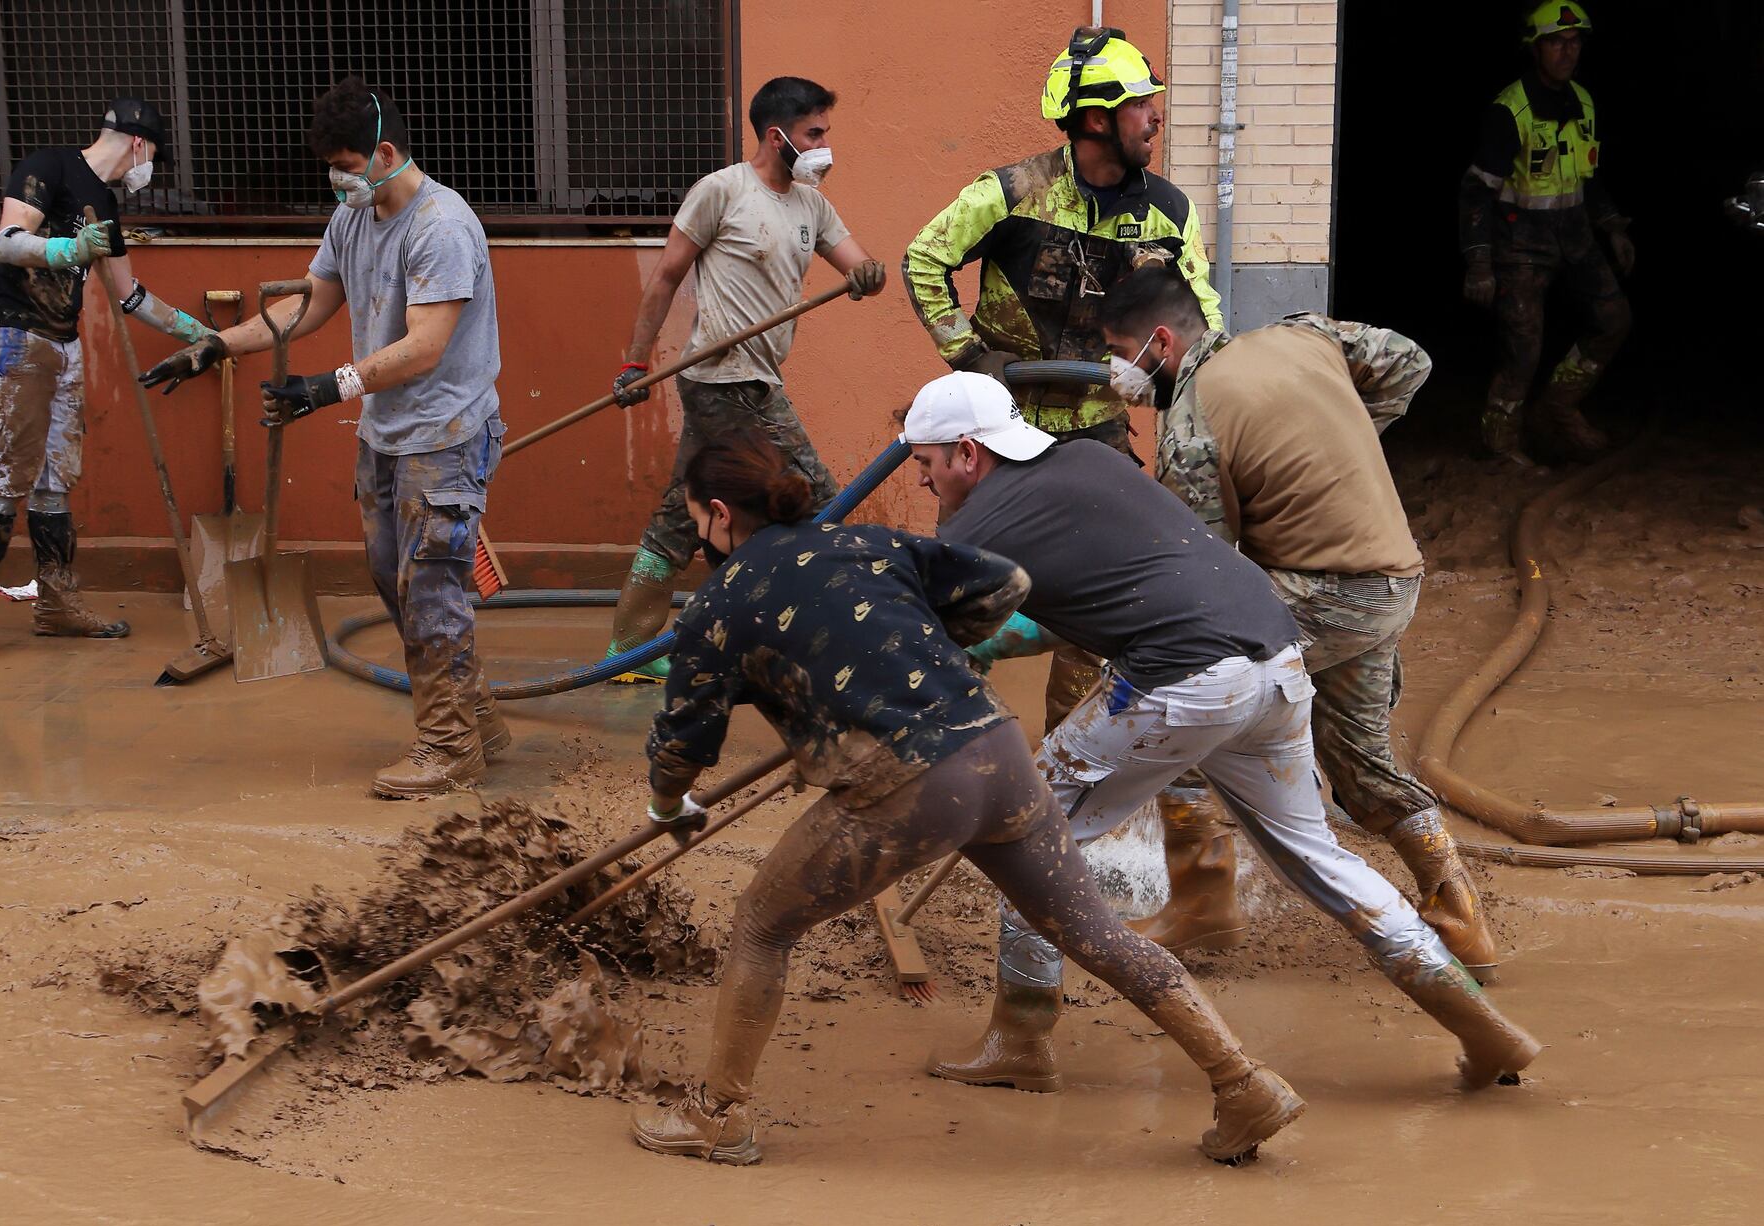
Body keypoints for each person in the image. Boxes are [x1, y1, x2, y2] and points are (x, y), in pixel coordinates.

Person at [626, 435, 1305, 1168]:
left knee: (761, 924)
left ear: (719, 514)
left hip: (911, 782)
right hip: (999, 755)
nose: (699, 535)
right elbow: (1005, 583)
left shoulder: (716, 608)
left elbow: (681, 746)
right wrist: (931, 653)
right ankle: (1242, 1081)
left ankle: (719, 1115)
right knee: (1096, 933)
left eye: (697, 519)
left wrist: (669, 808)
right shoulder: (867, 545)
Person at [900, 371, 1541, 1095]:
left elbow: (930, 642)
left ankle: (1019, 1039)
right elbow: (1087, 598)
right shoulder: (1091, 460)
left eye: (924, 466)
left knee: (1021, 833)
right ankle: (1480, 1026)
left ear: (965, 453)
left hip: (1183, 680)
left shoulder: (972, 530)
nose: (926, 484)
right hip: (1274, 659)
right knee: (1320, 858)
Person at [1095, 265, 1502, 983]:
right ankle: (1458, 912)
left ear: (1159, 341)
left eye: (1118, 350)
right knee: (1358, 763)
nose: (1115, 373)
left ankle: (1199, 898)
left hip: (1321, 595)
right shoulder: (1304, 337)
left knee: (1175, 685)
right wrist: (1343, 433)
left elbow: (1202, 579)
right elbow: (1410, 360)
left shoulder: (1191, 426)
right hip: (1392, 583)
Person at [140, 80, 507, 800]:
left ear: (385, 153)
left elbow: (427, 344)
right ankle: (475, 717)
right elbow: (308, 304)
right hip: (385, 434)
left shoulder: (441, 226)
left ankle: (447, 748)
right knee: (390, 580)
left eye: (345, 165)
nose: (336, 181)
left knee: (430, 586)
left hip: (444, 434)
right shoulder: (354, 220)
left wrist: (324, 387)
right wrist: (216, 346)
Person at [903, 26, 1219, 738]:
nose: (1156, 116)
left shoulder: (1168, 214)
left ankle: (1064, 760)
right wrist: (969, 356)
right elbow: (923, 259)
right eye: (1142, 104)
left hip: (1099, 432)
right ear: (1099, 119)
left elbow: (1204, 320)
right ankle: (936, 729)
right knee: (960, 586)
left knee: (1094, 604)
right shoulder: (1010, 194)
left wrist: (1162, 381)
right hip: (997, 427)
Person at [601, 76, 887, 684]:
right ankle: (836, 638)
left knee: (683, 514)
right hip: (722, 377)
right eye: (814, 133)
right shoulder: (722, 192)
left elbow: (856, 262)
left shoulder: (812, 206)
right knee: (819, 496)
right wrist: (636, 361)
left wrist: (869, 275)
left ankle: (626, 654)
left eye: (825, 132)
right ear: (776, 134)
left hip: (758, 377)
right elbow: (666, 278)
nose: (824, 145)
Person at [0, 98, 211, 663]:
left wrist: (196, 331)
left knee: (55, 477)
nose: (151, 166)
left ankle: (56, 601)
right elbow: (8, 241)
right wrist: (68, 247)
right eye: (155, 155)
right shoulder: (50, 165)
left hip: (64, 345)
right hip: (15, 334)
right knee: (12, 469)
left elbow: (128, 294)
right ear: (140, 145)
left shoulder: (105, 205)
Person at [1460, 2, 1631, 464]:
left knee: (1614, 319)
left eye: (1574, 42)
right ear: (1535, 48)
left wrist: (1613, 227)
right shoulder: (1509, 109)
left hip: (1575, 236)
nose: (1567, 51)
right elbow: (1477, 191)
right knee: (1523, 349)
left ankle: (1558, 407)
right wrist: (1479, 262)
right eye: (1556, 41)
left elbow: (1589, 176)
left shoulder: (1584, 101)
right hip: (1521, 244)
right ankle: (1500, 447)